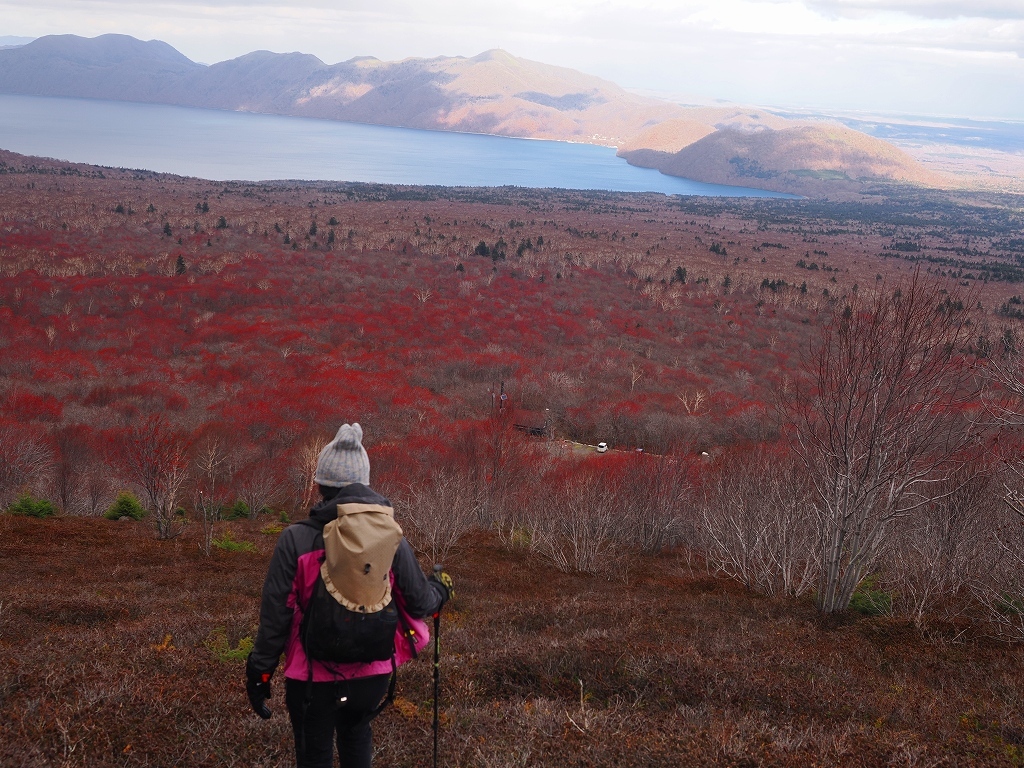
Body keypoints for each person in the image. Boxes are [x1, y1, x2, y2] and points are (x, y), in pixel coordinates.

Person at [245, 422, 452, 768]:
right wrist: (441, 588)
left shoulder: (295, 540)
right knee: (357, 741)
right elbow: (420, 601)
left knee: (315, 756)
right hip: (372, 676)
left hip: (312, 680)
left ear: (321, 484)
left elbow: (276, 618)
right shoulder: (390, 538)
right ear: (364, 485)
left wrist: (259, 673)